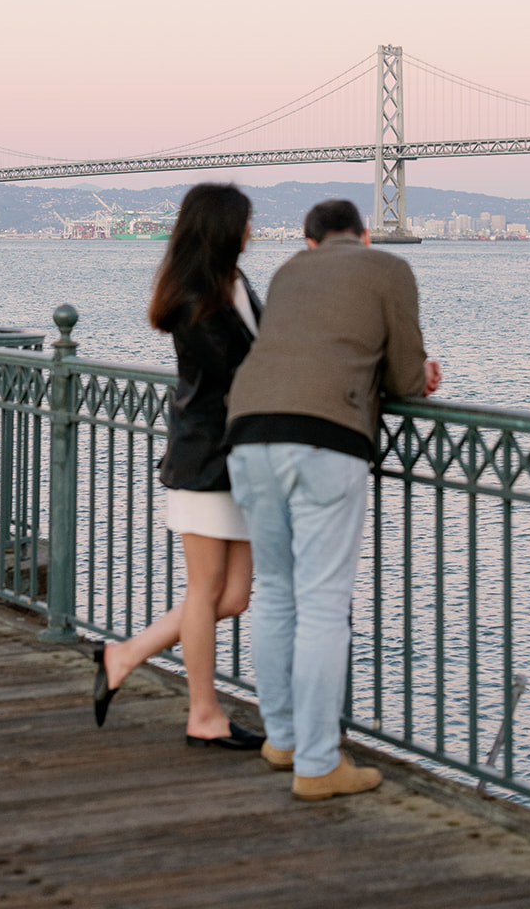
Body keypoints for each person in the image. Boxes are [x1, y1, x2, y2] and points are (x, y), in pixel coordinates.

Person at [226, 198, 441, 800]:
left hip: (247, 432)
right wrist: (420, 375)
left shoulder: (289, 270)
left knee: (273, 591)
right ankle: (319, 765)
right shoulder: (388, 269)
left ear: (310, 240)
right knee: (322, 606)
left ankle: (284, 739)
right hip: (324, 439)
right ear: (365, 236)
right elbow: (403, 377)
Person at [93, 182, 264, 750]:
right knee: (205, 588)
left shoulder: (234, 285)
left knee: (233, 596)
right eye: (244, 221)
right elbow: (243, 374)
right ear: (220, 229)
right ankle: (204, 713)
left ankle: (125, 655)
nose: (251, 230)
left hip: (236, 460)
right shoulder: (197, 299)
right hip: (205, 458)